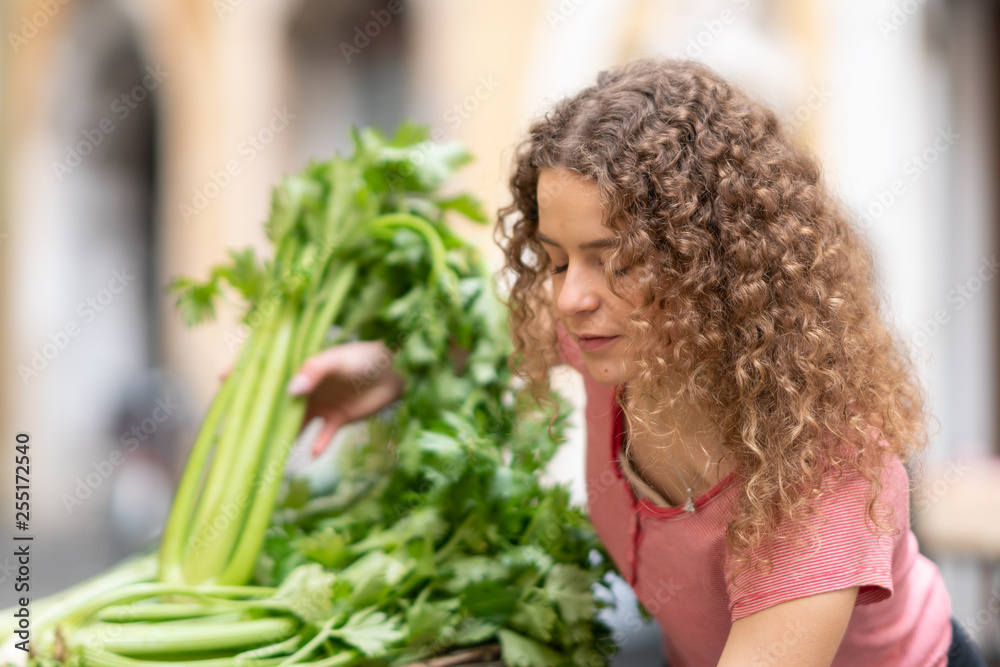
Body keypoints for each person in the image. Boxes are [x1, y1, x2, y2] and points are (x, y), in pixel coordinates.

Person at [284, 58, 987, 666]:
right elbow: (488, 334)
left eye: (612, 259)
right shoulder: (614, 340)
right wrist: (376, 370)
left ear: (713, 264)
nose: (569, 297)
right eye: (556, 260)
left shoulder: (820, 464)